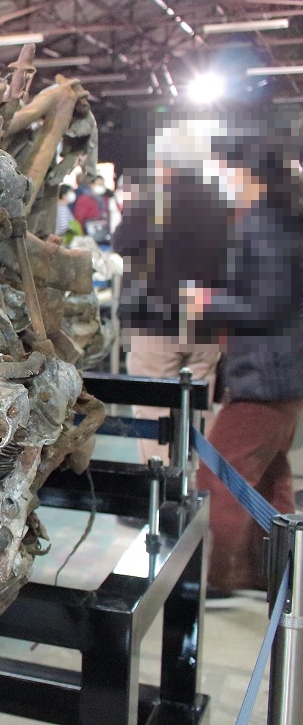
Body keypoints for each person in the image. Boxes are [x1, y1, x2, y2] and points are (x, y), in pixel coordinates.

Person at [185, 116, 303, 595]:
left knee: (218, 475)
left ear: (243, 169)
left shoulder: (264, 222)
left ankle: (219, 575)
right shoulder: (281, 217)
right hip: (282, 376)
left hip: (264, 377)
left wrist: (207, 303)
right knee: (271, 477)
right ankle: (270, 571)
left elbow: (267, 302)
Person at [112, 124, 232, 464]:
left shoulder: (153, 201)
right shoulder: (221, 204)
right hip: (206, 324)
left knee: (154, 415)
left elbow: (122, 243)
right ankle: (197, 483)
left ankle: (162, 490)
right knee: (199, 412)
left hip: (155, 323)